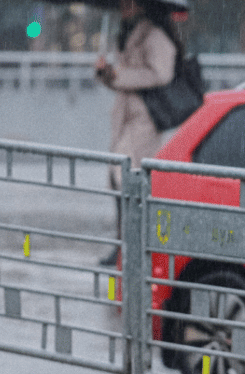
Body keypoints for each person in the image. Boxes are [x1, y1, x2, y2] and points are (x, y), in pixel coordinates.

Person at [93, 0, 180, 265]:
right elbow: (122, 79)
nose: (124, 7)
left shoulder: (155, 36)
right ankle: (125, 243)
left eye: (130, 3)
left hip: (144, 118)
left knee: (129, 179)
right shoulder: (129, 32)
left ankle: (133, 243)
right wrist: (106, 74)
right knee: (119, 178)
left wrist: (120, 75)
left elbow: (162, 74)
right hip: (125, 116)